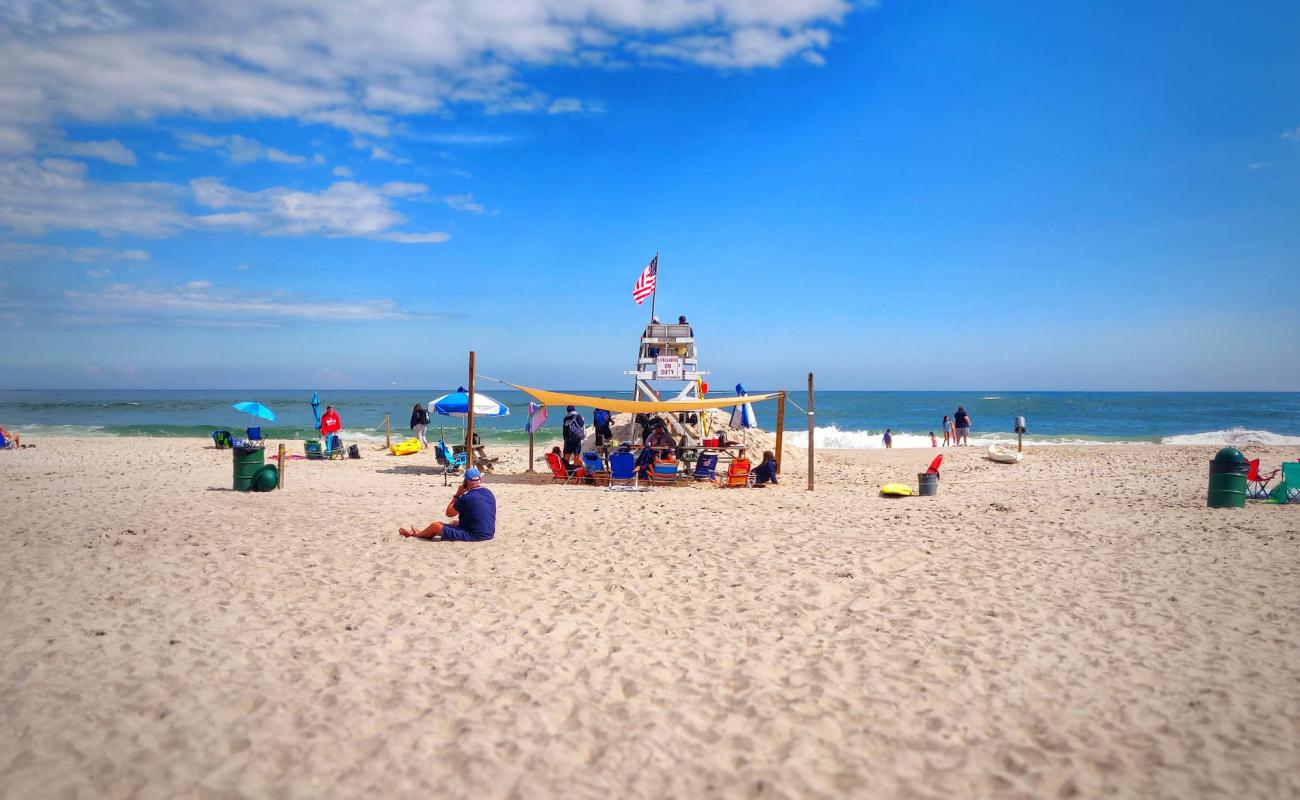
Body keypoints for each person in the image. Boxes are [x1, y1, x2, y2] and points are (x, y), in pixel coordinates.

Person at [399, 468, 496, 542]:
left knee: (435, 525)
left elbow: (449, 513)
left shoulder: (466, 498)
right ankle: (423, 533)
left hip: (475, 535)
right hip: (488, 532)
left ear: (465, 482)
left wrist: (457, 495)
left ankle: (417, 535)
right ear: (480, 480)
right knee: (454, 523)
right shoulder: (489, 493)